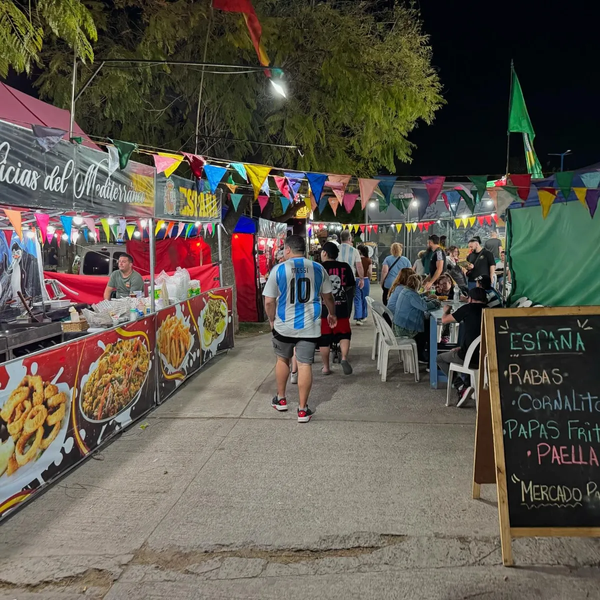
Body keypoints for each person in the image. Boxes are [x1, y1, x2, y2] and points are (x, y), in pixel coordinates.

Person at [263, 235, 336, 423]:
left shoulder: (278, 270)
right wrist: (332, 313)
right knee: (305, 364)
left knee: (282, 359)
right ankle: (303, 410)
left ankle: (281, 399)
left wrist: (271, 320)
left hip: (283, 325)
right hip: (310, 325)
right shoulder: (318, 268)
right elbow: (328, 297)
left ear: (287, 250)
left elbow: (269, 301)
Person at [437, 287, 487, 404]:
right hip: (486, 357)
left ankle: (461, 387)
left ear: (470, 299)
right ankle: (468, 385)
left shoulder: (467, 309)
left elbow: (444, 320)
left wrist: (446, 310)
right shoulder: (490, 311)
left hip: (469, 357)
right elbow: (478, 337)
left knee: (440, 359)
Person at [318, 242, 356, 375]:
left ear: (324, 253)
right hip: (341, 307)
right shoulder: (345, 267)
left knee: (324, 338)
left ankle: (326, 367)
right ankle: (344, 358)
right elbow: (351, 286)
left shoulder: (319, 268)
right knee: (344, 334)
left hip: (323, 309)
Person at [387, 273, 438, 362]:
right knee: (429, 331)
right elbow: (424, 306)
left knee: (426, 326)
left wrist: (425, 295)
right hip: (406, 329)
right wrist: (436, 303)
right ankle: (422, 356)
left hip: (399, 326)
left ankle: (422, 353)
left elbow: (417, 300)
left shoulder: (405, 291)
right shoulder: (411, 295)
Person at [353, 244, 372, 324]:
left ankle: (358, 317)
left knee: (357, 298)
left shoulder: (356, 260)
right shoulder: (368, 260)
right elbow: (370, 272)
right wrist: (369, 279)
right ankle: (364, 316)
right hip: (366, 279)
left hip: (356, 279)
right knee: (365, 298)